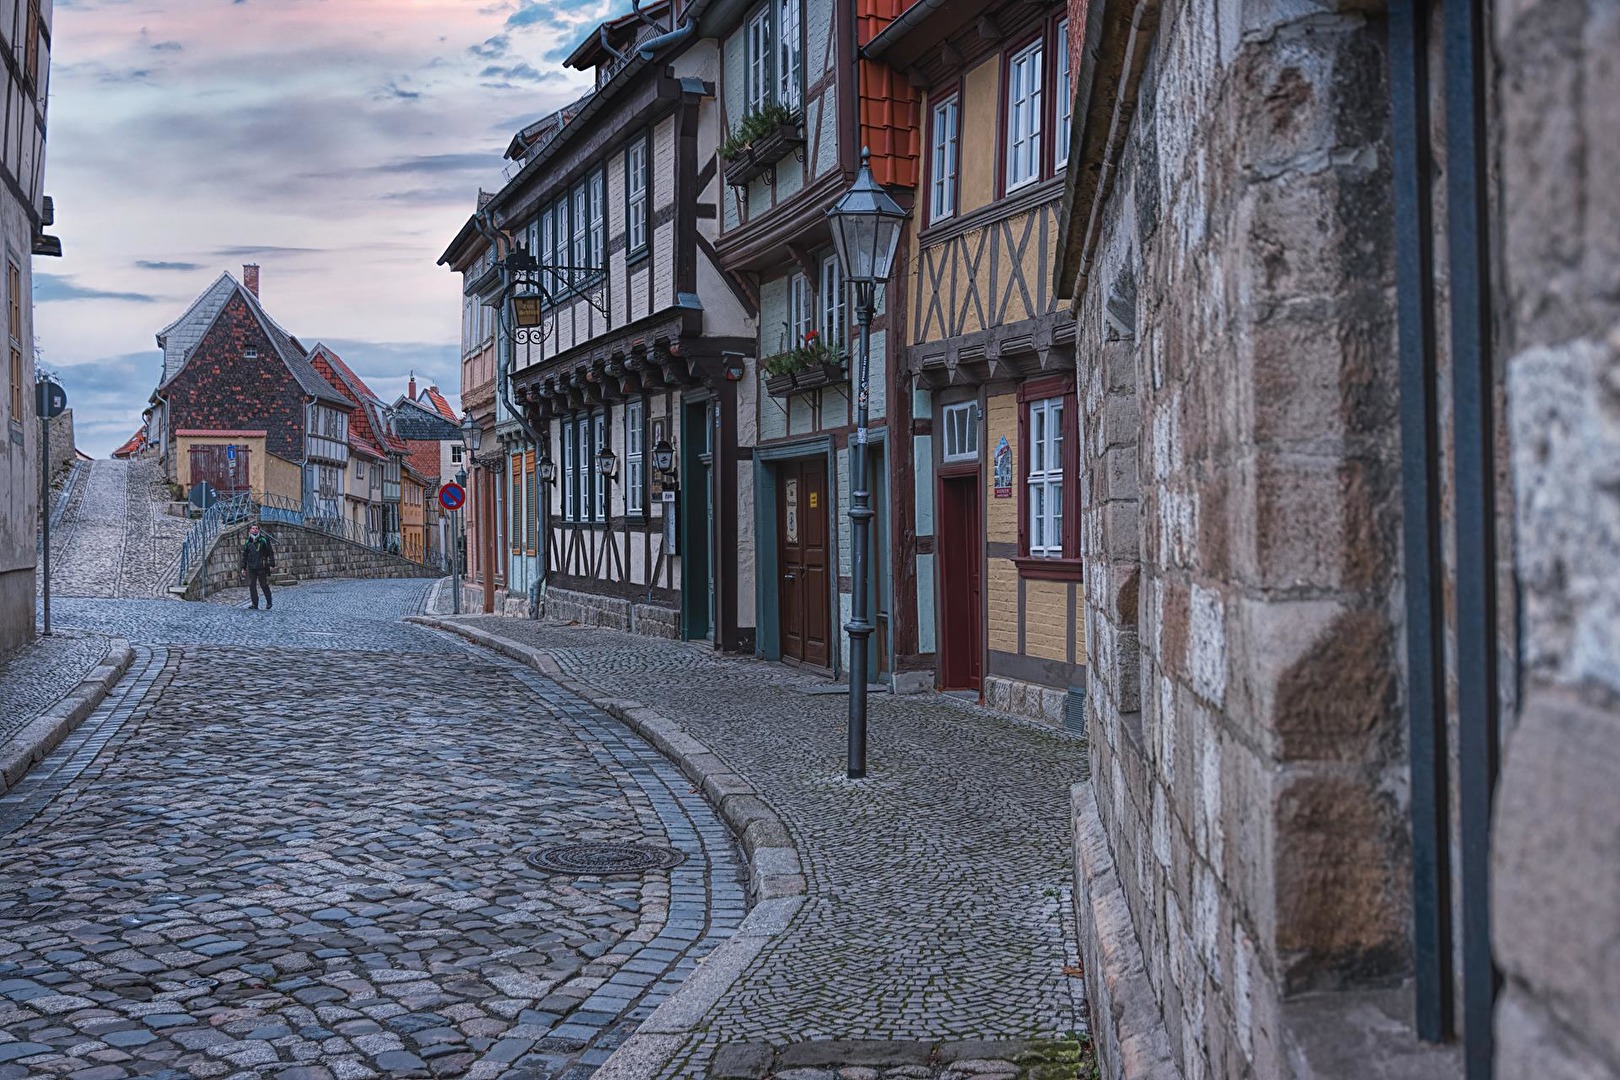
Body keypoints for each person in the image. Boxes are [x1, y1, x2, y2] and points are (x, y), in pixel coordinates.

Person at [240, 523, 277, 610]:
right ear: (250, 530)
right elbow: (245, 555)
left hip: (262, 566)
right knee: (252, 585)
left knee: (263, 584)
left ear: (259, 530)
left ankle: (269, 601)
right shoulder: (248, 541)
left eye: (256, 528)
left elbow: (270, 552)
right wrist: (243, 568)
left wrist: (272, 564)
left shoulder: (264, 539)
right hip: (252, 567)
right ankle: (254, 603)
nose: (255, 530)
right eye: (253, 528)